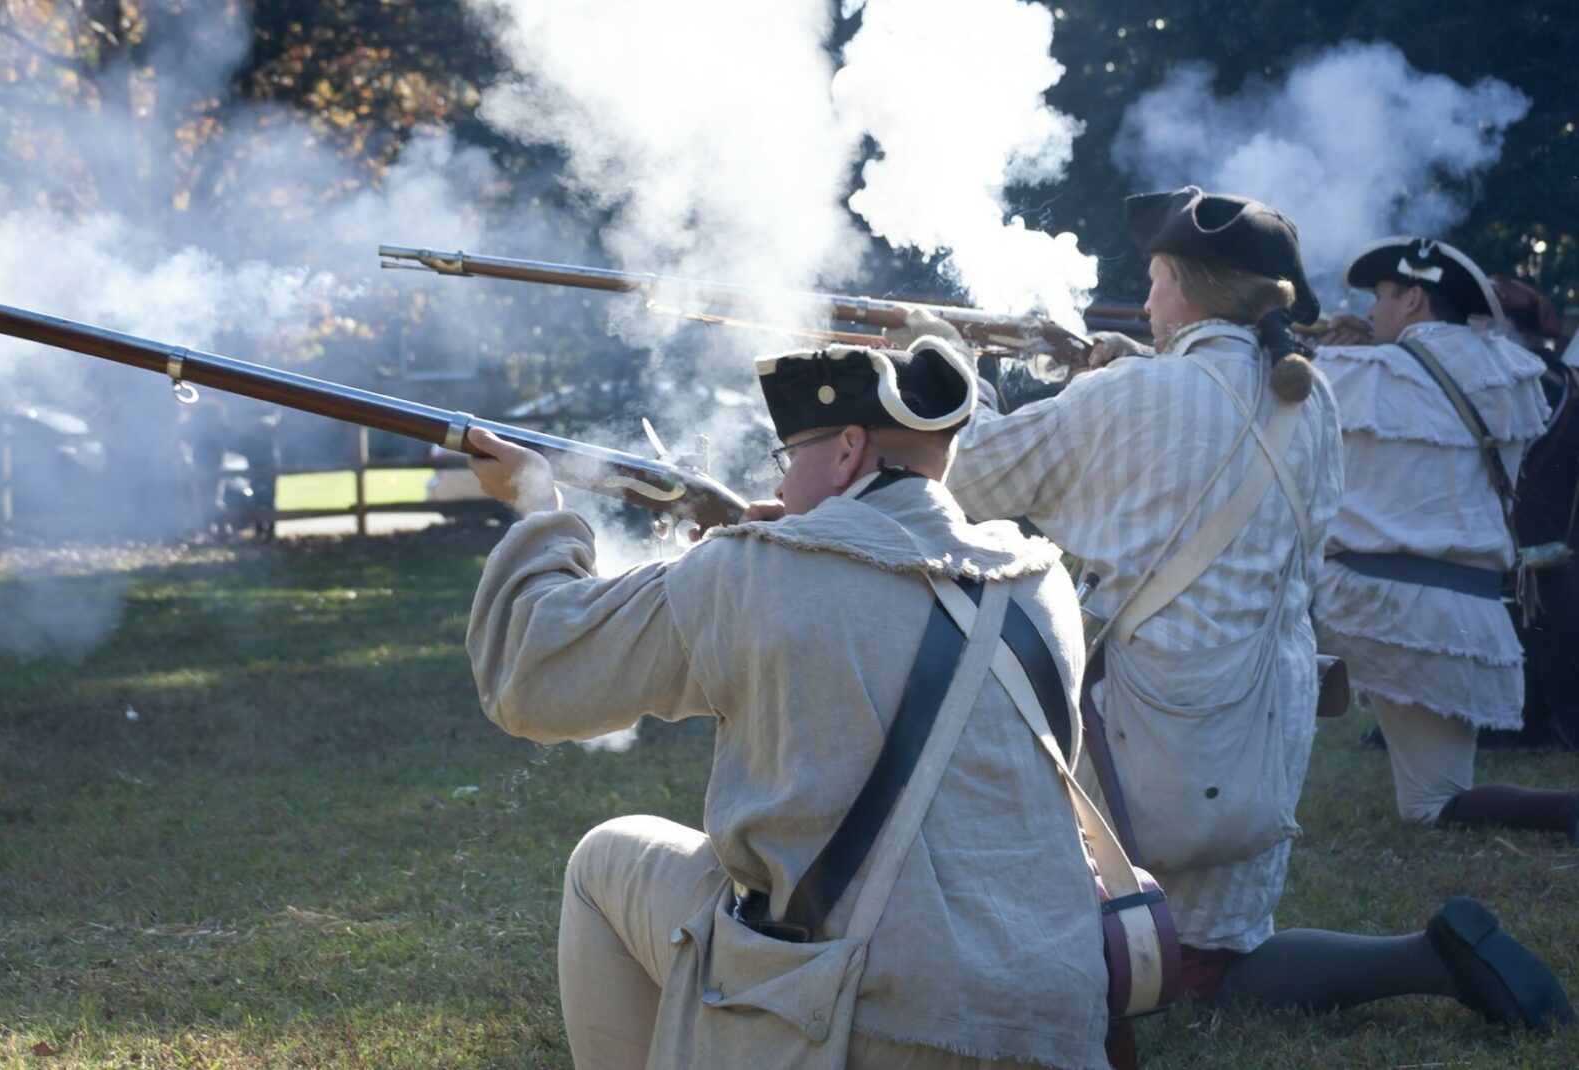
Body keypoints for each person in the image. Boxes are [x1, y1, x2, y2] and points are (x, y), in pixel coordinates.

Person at [942, 187, 1570, 1029]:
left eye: (1158, 279)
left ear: (1186, 286)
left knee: (1050, 933)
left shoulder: (1135, 396)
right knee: (1215, 953)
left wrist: (953, 369)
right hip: (1265, 729)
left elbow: (973, 473)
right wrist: (1128, 372)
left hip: (1150, 731)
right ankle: (1425, 961)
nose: (1152, 295)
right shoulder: (1312, 401)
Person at [465, 339, 1110, 1068]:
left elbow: (532, 674)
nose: (781, 475)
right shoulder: (1038, 579)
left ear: (846, 450)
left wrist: (537, 506)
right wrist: (781, 542)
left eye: (789, 455)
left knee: (601, 861)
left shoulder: (753, 574)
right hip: (1054, 1023)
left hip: (866, 1024)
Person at [1313, 237, 1579, 836]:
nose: (1372, 311)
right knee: (1435, 802)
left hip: (1358, 605)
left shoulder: (1353, 371)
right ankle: (1565, 809)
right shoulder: (1515, 375)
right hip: (1466, 620)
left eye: (1381, 298)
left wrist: (1316, 353)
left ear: (1412, 299)